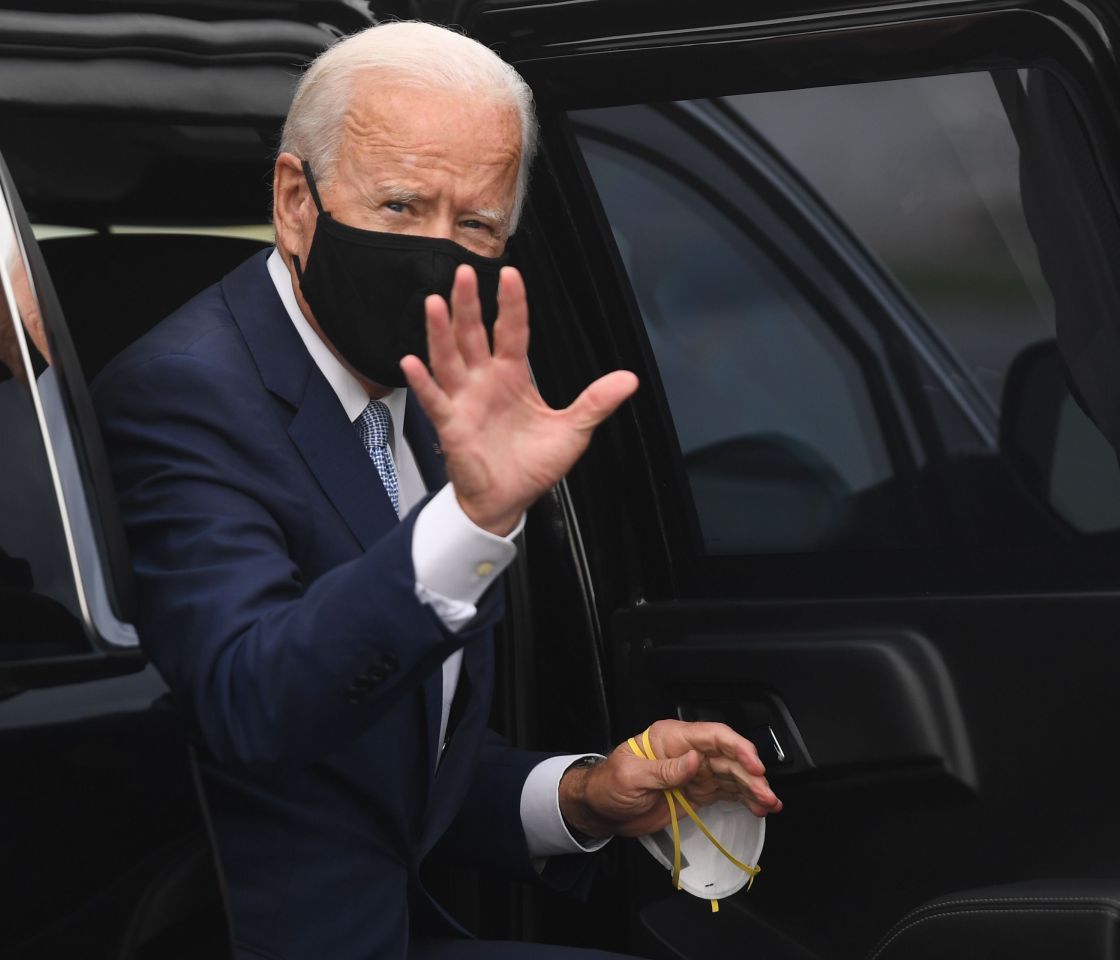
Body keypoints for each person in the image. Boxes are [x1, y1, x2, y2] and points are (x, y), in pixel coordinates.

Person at [93, 21, 781, 959]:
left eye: (476, 225)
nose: (437, 253)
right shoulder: (184, 393)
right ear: (295, 202)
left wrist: (586, 794)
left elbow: (386, 751)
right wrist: (473, 519)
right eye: (401, 205)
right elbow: (254, 705)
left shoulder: (420, 393)